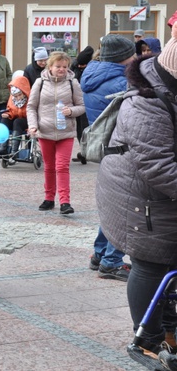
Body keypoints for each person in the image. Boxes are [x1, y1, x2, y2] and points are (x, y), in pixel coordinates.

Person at [96, 37, 177, 360]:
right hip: (138, 197)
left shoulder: (168, 89)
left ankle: (169, 326)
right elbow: (158, 166)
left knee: (170, 261)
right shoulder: (146, 100)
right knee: (151, 261)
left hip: (161, 195)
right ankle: (148, 338)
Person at [80, 34, 136, 282]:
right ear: (122, 57)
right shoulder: (120, 83)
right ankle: (111, 261)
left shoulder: (93, 74)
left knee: (114, 206)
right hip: (123, 150)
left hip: (107, 150)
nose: (135, 57)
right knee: (125, 209)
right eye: (132, 53)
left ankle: (100, 253)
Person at [26, 51, 86, 215]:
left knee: (62, 166)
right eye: (58, 66)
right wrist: (33, 125)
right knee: (49, 167)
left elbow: (81, 106)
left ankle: (65, 202)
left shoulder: (73, 83)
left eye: (65, 67)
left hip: (65, 132)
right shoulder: (40, 83)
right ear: (50, 67)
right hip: (45, 131)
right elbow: (31, 107)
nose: (62, 69)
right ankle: (49, 198)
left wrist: (71, 111)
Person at [0, 74, 31, 162]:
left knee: (18, 121)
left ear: (24, 92)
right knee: (4, 119)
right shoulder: (12, 98)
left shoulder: (30, 98)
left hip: (27, 119)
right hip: (15, 117)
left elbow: (32, 113)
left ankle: (14, 151)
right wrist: (8, 114)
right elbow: (11, 110)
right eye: (15, 96)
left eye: (19, 95)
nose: (17, 98)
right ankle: (2, 147)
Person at [70, 46, 94, 163]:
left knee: (85, 127)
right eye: (79, 65)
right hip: (76, 102)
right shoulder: (75, 66)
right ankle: (83, 152)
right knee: (79, 129)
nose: (80, 67)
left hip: (87, 101)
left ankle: (86, 152)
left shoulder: (92, 68)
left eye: (82, 66)